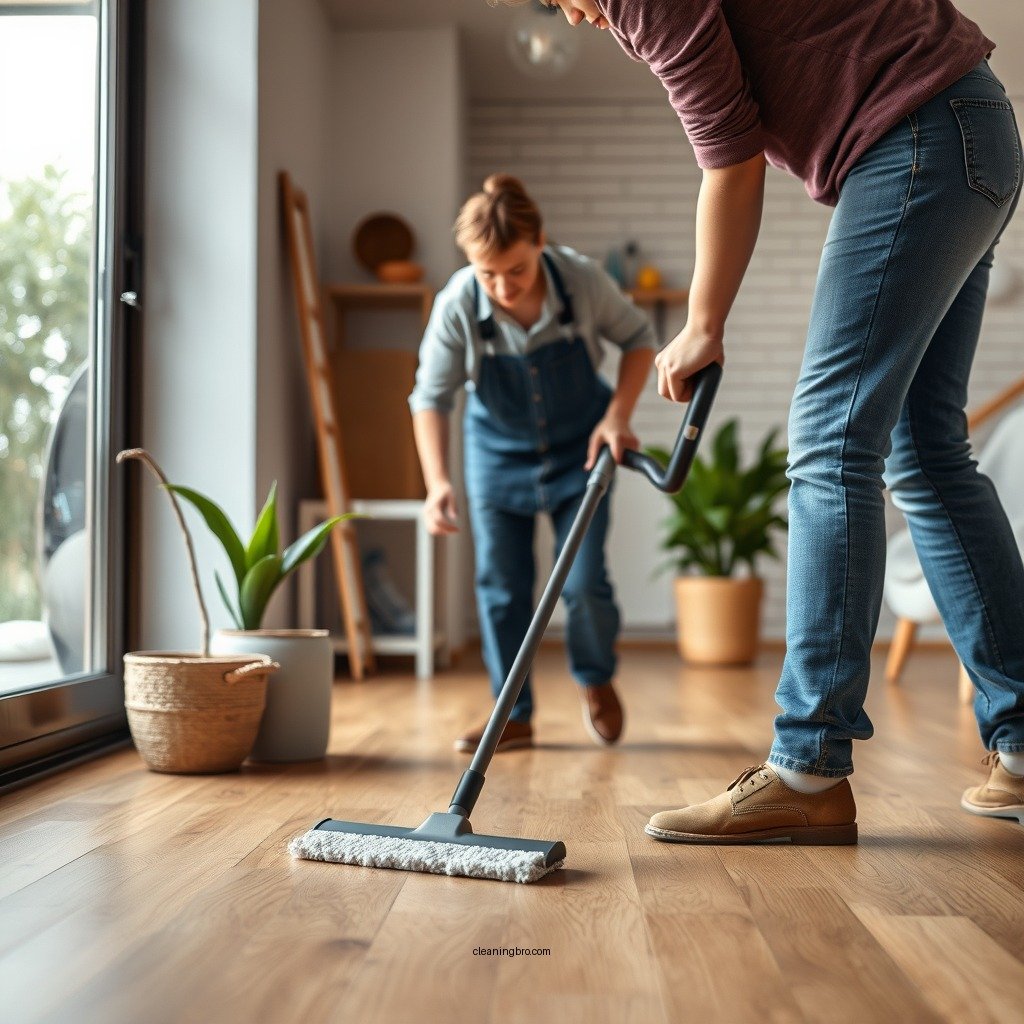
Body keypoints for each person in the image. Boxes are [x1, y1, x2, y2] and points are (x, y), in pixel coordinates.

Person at [525, 0, 1024, 842]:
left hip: (920, 134)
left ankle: (809, 765)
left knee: (832, 444)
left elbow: (731, 156)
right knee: (927, 454)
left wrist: (702, 323)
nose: (575, 16)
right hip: (968, 124)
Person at [410, 174, 656, 753]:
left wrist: (617, 416)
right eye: (487, 273)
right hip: (496, 454)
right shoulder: (458, 304)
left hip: (583, 451)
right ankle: (512, 712)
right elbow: (429, 397)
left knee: (585, 582)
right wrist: (437, 483)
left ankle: (596, 679)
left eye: (515, 271)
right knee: (502, 585)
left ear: (540, 241)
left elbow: (640, 338)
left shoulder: (582, 280)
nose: (501, 286)